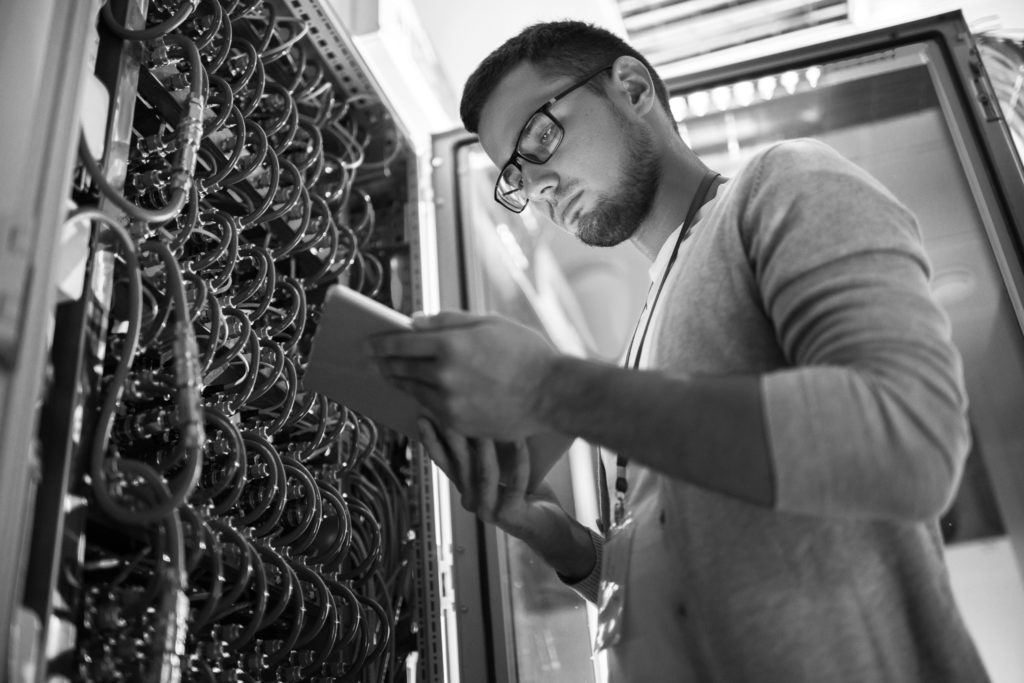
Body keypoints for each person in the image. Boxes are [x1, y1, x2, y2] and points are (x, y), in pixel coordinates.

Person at [367, 20, 991, 682]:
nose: (538, 187)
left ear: (633, 87)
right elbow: (674, 584)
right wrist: (568, 544)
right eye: (514, 176)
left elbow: (909, 438)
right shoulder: (642, 335)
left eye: (540, 138)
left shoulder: (783, 182)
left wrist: (553, 387)